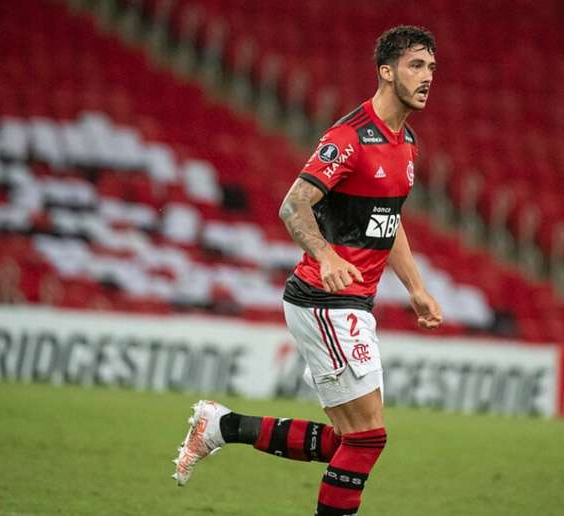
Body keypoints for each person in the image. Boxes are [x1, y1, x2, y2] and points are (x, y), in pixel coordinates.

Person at [172, 25, 442, 515]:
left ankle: (220, 426)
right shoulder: (349, 138)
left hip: (350, 302)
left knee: (349, 439)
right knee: (367, 439)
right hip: (325, 299)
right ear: (386, 72)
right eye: (415, 66)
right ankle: (220, 428)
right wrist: (327, 254)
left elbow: (389, 218)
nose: (427, 77)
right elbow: (294, 206)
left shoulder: (406, 142)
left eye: (431, 68)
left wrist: (417, 288)